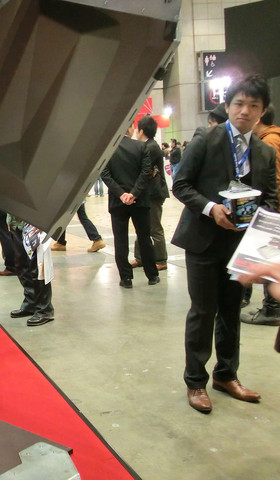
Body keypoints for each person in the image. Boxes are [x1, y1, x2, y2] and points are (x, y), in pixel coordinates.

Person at [171, 73, 277, 414]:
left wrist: (260, 228)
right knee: (203, 311)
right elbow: (181, 185)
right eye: (239, 104)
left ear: (262, 111)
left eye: (253, 105)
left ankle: (226, 375)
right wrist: (210, 207)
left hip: (240, 246)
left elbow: (271, 198)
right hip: (203, 241)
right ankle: (195, 381)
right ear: (228, 106)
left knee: (231, 311)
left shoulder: (264, 152)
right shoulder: (206, 139)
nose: (245, 111)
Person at [101, 127, 159, 288]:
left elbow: (105, 174)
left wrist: (121, 194)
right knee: (144, 238)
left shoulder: (108, 149)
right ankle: (152, 275)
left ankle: (126, 278)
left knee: (120, 241)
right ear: (129, 128)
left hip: (117, 202)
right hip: (139, 201)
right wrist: (133, 193)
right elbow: (146, 172)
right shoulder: (141, 146)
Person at [241, 104, 280, 325]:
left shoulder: (269, 142)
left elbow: (274, 182)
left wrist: (268, 214)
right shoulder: (272, 138)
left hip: (274, 212)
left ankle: (272, 310)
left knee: (270, 259)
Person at [130, 115, 169, 271]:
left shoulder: (151, 147)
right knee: (142, 226)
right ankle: (140, 257)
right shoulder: (148, 145)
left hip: (154, 193)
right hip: (148, 193)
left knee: (154, 227)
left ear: (141, 131)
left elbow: (142, 169)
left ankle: (161, 259)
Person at [7, 214, 54, 326]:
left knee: (38, 268)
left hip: (35, 224)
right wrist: (10, 220)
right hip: (17, 223)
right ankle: (31, 302)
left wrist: (42, 221)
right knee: (21, 265)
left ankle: (44, 309)